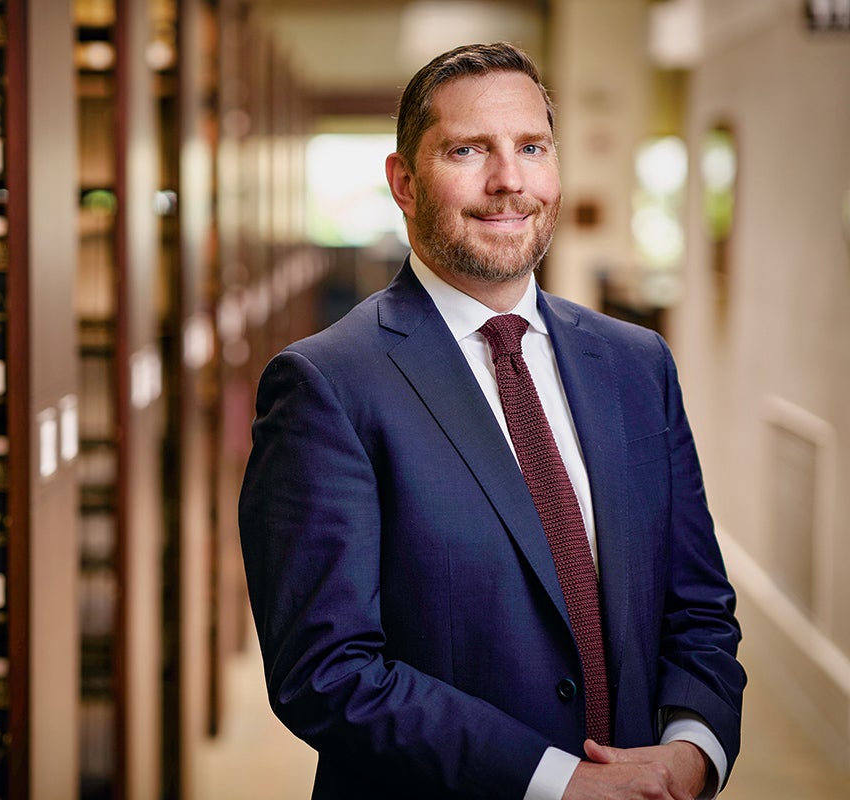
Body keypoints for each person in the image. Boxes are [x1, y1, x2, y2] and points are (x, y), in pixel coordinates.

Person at [237, 42, 745, 800]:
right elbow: (326, 670)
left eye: (531, 147)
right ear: (404, 182)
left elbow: (699, 607)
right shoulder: (326, 386)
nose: (509, 180)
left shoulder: (638, 365)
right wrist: (556, 783)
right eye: (468, 150)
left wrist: (691, 753)